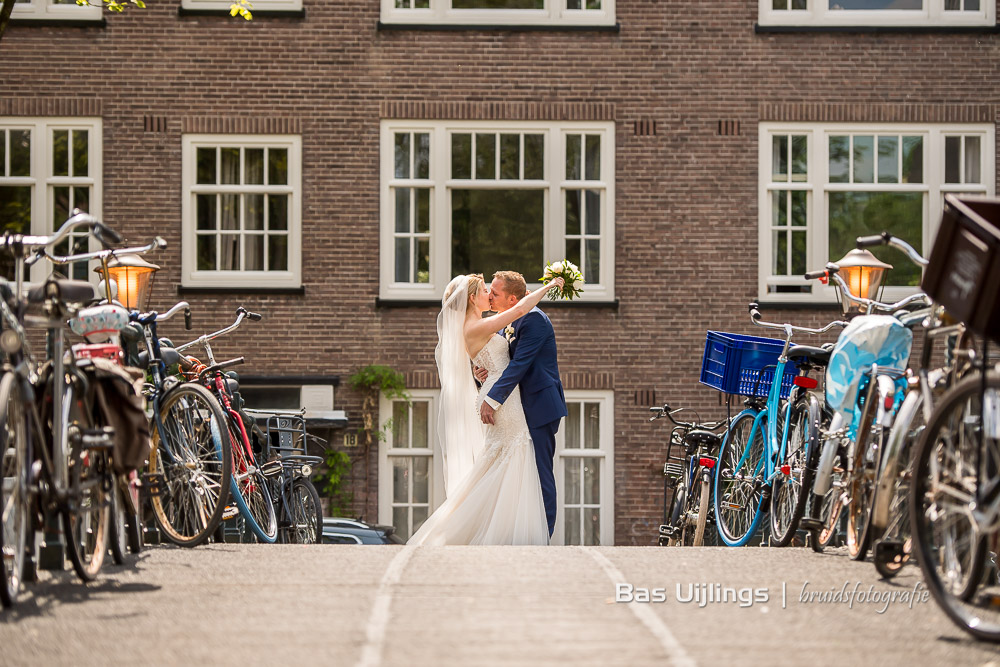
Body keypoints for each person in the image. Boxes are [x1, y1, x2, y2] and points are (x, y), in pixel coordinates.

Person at [407, 272, 562, 546]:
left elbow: (511, 360)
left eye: (494, 292)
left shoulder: (495, 323)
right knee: (519, 464)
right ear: (471, 298)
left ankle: (529, 535)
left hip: (524, 401)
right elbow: (516, 326)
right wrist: (550, 286)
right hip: (503, 400)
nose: (489, 295)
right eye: (486, 291)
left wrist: (486, 375)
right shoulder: (488, 324)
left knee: (515, 466)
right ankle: (524, 538)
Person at [479, 271, 567, 537]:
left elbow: (519, 365)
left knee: (541, 474)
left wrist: (492, 399)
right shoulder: (510, 320)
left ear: (512, 298)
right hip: (519, 407)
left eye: (494, 293)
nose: (489, 295)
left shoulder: (535, 321)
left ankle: (545, 537)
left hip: (540, 406)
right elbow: (502, 362)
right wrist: (482, 374)